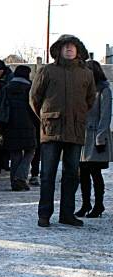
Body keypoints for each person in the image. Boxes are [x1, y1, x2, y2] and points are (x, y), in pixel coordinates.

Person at [30, 34, 96, 228]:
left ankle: (67, 214)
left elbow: (90, 99)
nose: (69, 48)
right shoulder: (47, 71)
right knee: (47, 174)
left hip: (75, 130)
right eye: (65, 46)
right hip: (51, 129)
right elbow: (34, 98)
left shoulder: (86, 73)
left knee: (72, 175)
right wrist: (45, 117)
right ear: (58, 50)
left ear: (78, 50)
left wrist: (79, 115)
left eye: (72, 46)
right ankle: (44, 214)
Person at [76, 60, 112, 218]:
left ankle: (98, 204)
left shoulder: (104, 90)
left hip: (95, 135)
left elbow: (105, 116)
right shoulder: (83, 89)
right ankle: (86, 204)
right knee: (83, 173)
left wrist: (100, 138)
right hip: (82, 136)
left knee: (94, 172)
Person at [1, 65, 37, 191]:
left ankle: (14, 182)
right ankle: (20, 178)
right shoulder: (30, 88)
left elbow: (2, 107)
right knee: (30, 150)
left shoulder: (6, 88)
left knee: (15, 153)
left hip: (10, 124)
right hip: (29, 124)